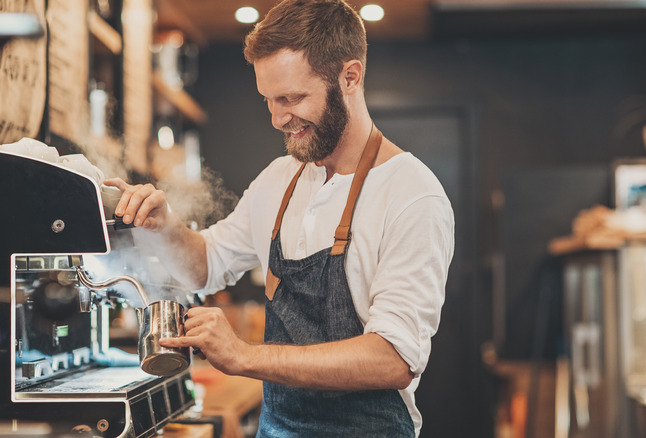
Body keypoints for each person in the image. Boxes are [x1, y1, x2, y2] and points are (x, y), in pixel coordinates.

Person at [103, 0, 454, 436]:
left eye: (292, 98)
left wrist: (245, 356)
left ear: (350, 76)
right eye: (268, 100)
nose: (278, 118)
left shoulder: (412, 194)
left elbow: (393, 360)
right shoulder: (280, 179)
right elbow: (207, 266)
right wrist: (165, 226)